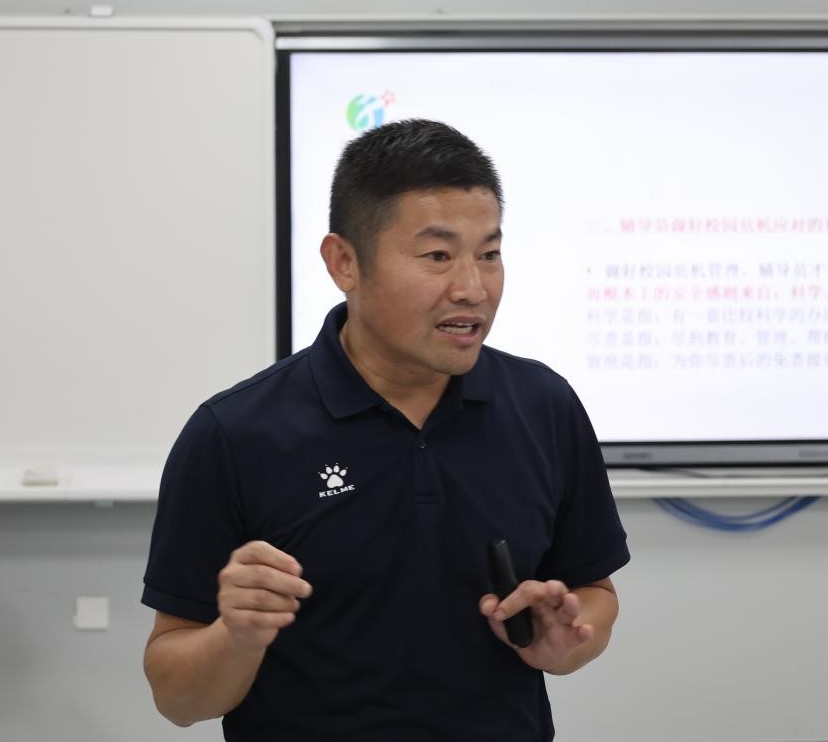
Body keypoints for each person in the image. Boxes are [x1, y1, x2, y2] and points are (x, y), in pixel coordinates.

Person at [141, 119, 630, 741]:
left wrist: (566, 641)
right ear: (344, 262)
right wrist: (235, 636)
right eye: (437, 256)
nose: (472, 288)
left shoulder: (544, 406)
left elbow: (595, 592)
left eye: (489, 255)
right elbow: (176, 698)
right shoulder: (234, 434)